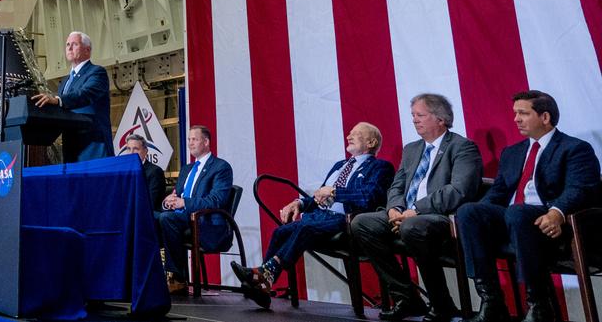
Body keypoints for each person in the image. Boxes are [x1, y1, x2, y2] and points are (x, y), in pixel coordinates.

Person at [456, 90, 601, 322]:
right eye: (515, 113)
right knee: (469, 212)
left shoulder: (574, 148)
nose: (516, 119)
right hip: (514, 218)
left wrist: (557, 212)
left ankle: (539, 305)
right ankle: (491, 300)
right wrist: (477, 217)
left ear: (545, 117)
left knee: (517, 212)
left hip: (550, 222)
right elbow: (498, 193)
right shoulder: (512, 152)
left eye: (523, 113)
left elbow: (581, 188)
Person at [232, 122, 395, 308]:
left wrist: (335, 193)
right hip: (320, 217)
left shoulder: (381, 167)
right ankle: (263, 285)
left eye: (355, 134)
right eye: (349, 133)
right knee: (281, 231)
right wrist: (299, 203)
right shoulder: (340, 165)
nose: (348, 137)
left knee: (305, 227)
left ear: (371, 142)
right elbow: (319, 196)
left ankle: (263, 275)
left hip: (346, 220)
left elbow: (369, 197)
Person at [351, 93, 482, 322]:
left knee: (412, 226)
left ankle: (441, 304)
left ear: (440, 119)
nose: (414, 120)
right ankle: (406, 297)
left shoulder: (462, 147)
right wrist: (394, 208)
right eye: (413, 115)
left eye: (420, 115)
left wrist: (417, 210)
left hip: (438, 216)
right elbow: (397, 185)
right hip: (405, 213)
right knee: (362, 223)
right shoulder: (411, 149)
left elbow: (459, 191)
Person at [156, 125, 233, 295]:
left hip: (206, 223)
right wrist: (168, 202)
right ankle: (154, 276)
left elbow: (216, 200)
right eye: (189, 139)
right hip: (184, 219)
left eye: (194, 139)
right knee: (154, 218)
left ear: (206, 142)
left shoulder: (220, 167)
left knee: (166, 219)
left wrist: (184, 203)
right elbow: (178, 195)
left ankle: (177, 277)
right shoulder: (186, 169)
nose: (190, 143)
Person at [32, 31, 112, 162]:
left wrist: (58, 100)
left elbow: (85, 94)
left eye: (74, 44)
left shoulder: (97, 72)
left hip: (93, 149)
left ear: (87, 50)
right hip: (71, 149)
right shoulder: (65, 81)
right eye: (67, 44)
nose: (69, 48)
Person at [121, 133, 168, 211]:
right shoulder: (123, 172)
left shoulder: (155, 172)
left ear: (145, 151)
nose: (131, 153)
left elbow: (151, 202)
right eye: (128, 149)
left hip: (145, 214)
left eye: (135, 149)